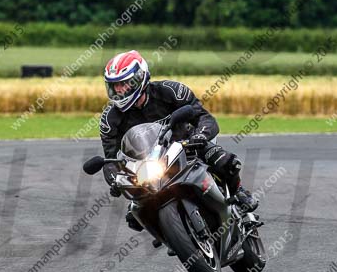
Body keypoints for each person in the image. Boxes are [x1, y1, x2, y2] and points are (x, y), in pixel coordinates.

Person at [97, 50, 258, 231]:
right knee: (135, 215)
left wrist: (200, 136)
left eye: (123, 84)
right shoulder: (110, 119)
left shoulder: (170, 91)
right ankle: (175, 234)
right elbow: (111, 159)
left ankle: (239, 191)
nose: (118, 90)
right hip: (148, 164)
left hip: (187, 146)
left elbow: (205, 118)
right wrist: (115, 179)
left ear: (140, 78)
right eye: (114, 85)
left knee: (224, 160)